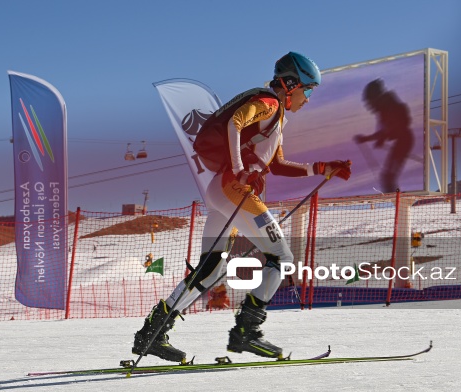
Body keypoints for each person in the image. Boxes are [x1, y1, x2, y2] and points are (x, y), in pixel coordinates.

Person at [132, 51, 352, 363]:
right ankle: (247, 332)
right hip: (232, 187)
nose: (309, 97)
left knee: (210, 270)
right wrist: (238, 168)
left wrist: (322, 168)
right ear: (291, 85)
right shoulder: (270, 103)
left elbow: (277, 165)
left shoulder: (276, 119)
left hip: (221, 191)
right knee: (282, 257)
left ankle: (151, 334)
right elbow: (235, 123)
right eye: (308, 89)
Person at [354, 78, 414, 193]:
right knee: (387, 177)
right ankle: (398, 199)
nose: (369, 105)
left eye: (369, 101)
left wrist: (375, 138)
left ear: (375, 97)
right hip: (402, 141)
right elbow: (384, 131)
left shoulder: (387, 107)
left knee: (388, 177)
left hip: (404, 141)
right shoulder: (384, 108)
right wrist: (369, 138)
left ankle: (398, 200)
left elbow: (389, 128)